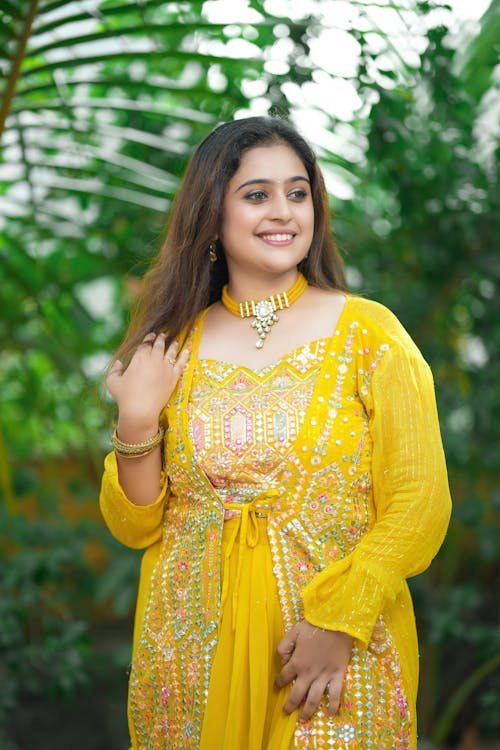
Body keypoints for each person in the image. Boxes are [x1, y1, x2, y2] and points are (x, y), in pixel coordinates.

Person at [99, 115, 451, 750]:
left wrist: (337, 622)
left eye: (298, 192)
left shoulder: (369, 335)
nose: (283, 211)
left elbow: (419, 504)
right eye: (256, 194)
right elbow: (136, 526)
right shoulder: (177, 345)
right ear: (212, 214)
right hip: (193, 650)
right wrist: (138, 420)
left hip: (334, 653)